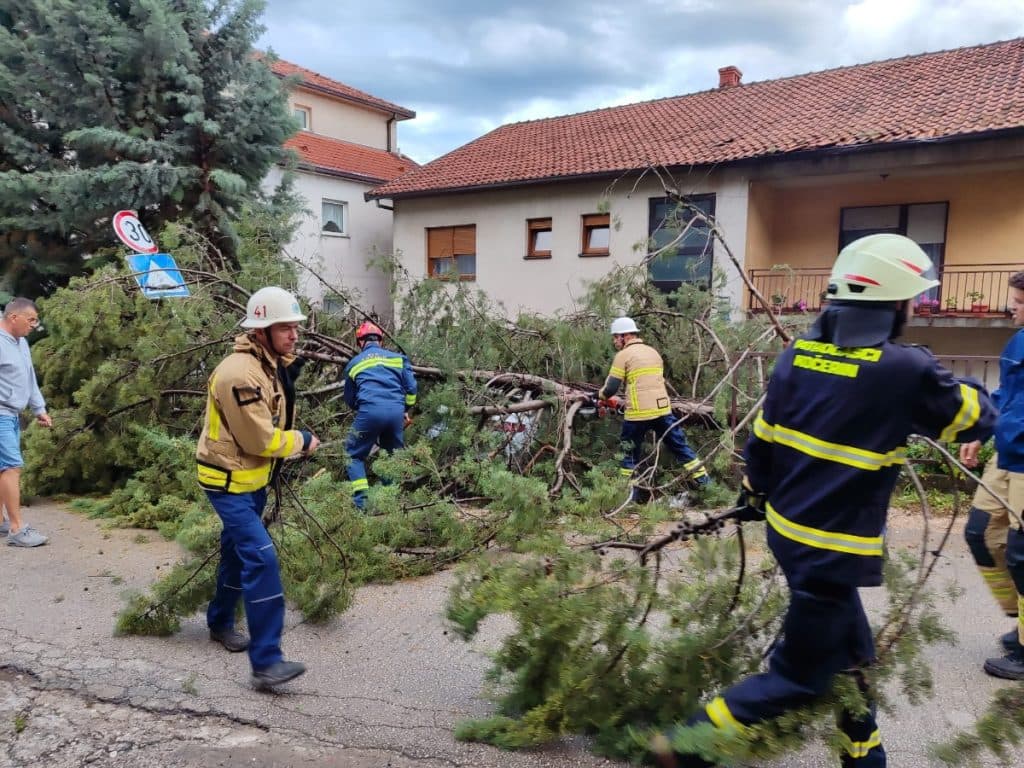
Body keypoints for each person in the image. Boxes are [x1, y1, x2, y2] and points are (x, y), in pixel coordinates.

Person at [653, 234, 997, 768]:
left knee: (854, 658)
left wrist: (751, 495)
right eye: (913, 299)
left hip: (788, 533)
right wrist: (954, 375)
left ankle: (864, 755)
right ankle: (685, 745)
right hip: (831, 552)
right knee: (799, 680)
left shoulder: (797, 354)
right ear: (893, 303)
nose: (916, 308)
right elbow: (974, 417)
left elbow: (762, 441)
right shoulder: (903, 371)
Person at [195, 286, 319, 689]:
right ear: (261, 331)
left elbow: (284, 387)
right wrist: (301, 441)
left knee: (236, 554)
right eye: (286, 329)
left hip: (251, 482)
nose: (295, 336)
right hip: (227, 483)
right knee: (262, 559)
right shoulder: (239, 374)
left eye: (296, 328)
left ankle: (219, 622)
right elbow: (259, 441)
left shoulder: (267, 366)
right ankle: (266, 663)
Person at [961, 270, 1024, 680]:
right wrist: (982, 432)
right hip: (1006, 456)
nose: (1011, 308)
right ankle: (1019, 622)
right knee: (980, 533)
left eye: (1019, 303)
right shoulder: (1017, 341)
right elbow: (1004, 394)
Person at [596, 316, 709, 503]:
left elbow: (611, 389)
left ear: (625, 336)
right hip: (663, 411)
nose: (615, 341)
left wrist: (599, 397)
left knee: (629, 456)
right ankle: (707, 486)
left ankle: (630, 500)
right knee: (682, 449)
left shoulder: (622, 356)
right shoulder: (653, 353)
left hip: (638, 414)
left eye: (616, 337)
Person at [343, 321, 417, 511]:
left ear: (360, 342)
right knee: (391, 457)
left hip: (369, 411)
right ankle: (390, 503)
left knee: (352, 455)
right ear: (381, 341)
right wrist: (405, 408)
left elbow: (350, 400)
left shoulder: (354, 364)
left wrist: (368, 412)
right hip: (395, 413)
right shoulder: (399, 359)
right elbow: (412, 389)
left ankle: (362, 504)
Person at [0, 298, 52, 547]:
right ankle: (17, 530)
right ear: (14, 318)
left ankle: (1, 521)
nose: (34, 325)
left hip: (12, 415)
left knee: (3, 468)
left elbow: (30, 379)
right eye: (31, 320)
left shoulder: (21, 344)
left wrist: (39, 409)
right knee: (11, 467)